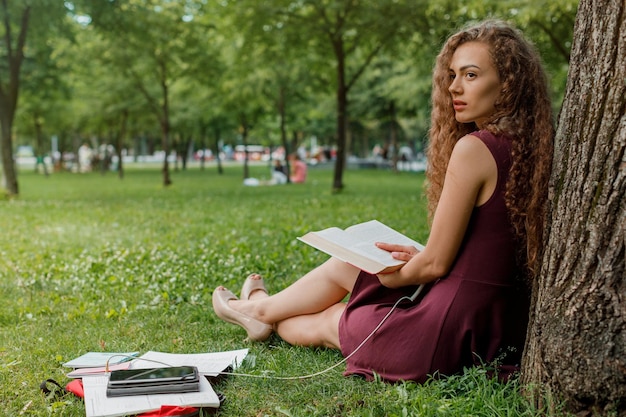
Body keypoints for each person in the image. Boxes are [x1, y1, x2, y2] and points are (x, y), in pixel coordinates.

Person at [212, 20, 554, 383]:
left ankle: (258, 313)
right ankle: (259, 308)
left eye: (470, 75)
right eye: (453, 74)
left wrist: (396, 278)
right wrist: (415, 260)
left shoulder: (474, 148)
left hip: (444, 334)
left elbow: (436, 265)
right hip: (497, 323)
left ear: (509, 83)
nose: (454, 86)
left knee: (333, 319)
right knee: (348, 264)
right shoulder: (540, 147)